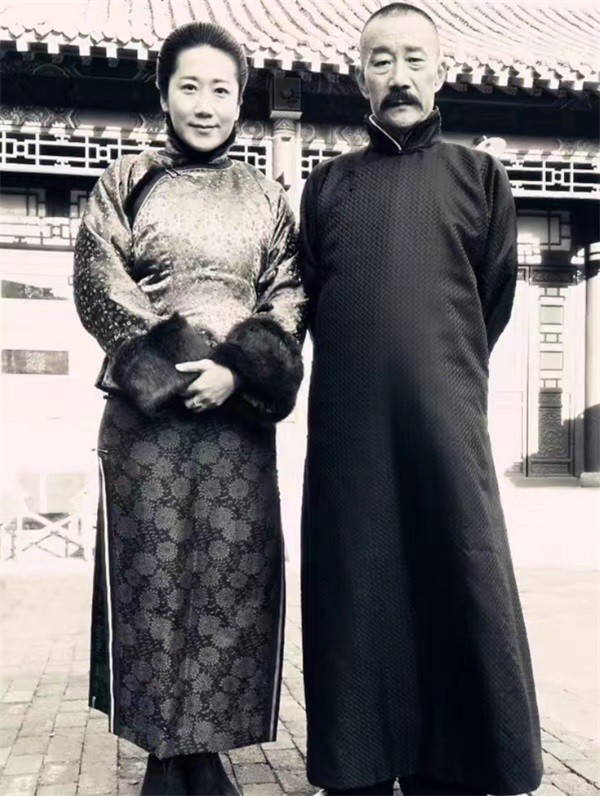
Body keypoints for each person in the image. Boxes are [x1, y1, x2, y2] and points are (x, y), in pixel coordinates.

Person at [299, 4, 543, 795]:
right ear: (359, 78)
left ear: (441, 72)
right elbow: (310, 300)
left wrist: (438, 372)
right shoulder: (327, 186)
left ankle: (457, 766)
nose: (398, 76)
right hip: (349, 438)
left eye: (413, 59)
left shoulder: (480, 177)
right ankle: (360, 766)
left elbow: (490, 301)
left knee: (456, 576)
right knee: (356, 590)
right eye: (381, 60)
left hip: (445, 425)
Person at [73, 21, 306, 796]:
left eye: (222, 90)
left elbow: (288, 293)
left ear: (240, 101)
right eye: (190, 87)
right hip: (148, 427)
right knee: (151, 584)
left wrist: (239, 371)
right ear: (165, 94)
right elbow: (98, 281)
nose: (206, 105)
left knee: (228, 583)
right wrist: (174, 368)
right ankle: (164, 756)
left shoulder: (266, 197)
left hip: (236, 428)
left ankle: (205, 752)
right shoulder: (125, 182)